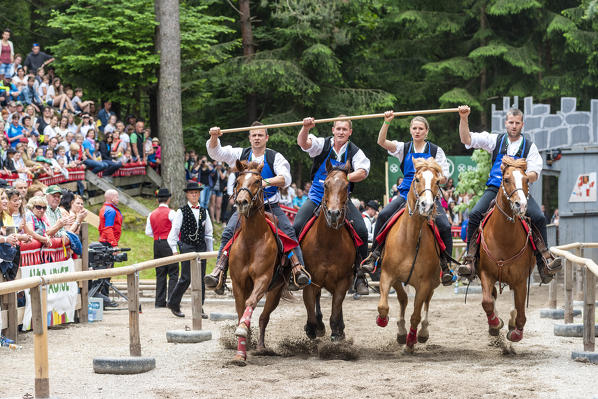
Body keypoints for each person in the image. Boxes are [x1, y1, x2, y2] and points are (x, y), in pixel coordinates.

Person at [456, 105, 562, 283]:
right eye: (511, 122)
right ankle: (470, 260)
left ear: (522, 125)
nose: (514, 126)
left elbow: (534, 174)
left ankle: (544, 261)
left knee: (538, 217)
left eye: (517, 123)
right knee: (474, 214)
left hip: (518, 190)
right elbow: (466, 138)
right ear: (506, 123)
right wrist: (464, 118)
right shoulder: (495, 140)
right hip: (495, 189)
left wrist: (517, 175)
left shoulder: (530, 147)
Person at [205, 122, 310, 292]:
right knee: (228, 232)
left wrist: (263, 182)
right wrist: (214, 137)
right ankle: (219, 272)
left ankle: (298, 270)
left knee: (288, 232)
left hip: (270, 206)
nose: (257, 138)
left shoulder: (274, 157)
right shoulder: (241, 153)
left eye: (260, 135)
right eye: (254, 135)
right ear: (249, 137)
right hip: (245, 209)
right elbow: (216, 152)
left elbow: (285, 178)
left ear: (266, 137)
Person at [360, 112, 454, 285]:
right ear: (410, 130)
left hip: (429, 195)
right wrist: (386, 122)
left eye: (421, 129)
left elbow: (445, 177)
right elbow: (381, 142)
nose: (417, 131)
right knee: (382, 215)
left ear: (426, 131)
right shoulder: (403, 148)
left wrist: (430, 178)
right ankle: (375, 255)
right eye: (414, 128)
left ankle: (446, 266)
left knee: (445, 226)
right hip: (405, 195)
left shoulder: (435, 150)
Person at [294, 115, 371, 294]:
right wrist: (305, 128)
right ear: (333, 130)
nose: (341, 132)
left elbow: (363, 172)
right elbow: (303, 144)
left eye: (345, 129)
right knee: (296, 227)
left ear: (350, 132)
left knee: (361, 229)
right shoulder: (322, 144)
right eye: (338, 129)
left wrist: (340, 179)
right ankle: (294, 270)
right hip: (317, 196)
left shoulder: (355, 151)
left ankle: (360, 275)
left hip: (341, 200)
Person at [166, 182, 213, 318]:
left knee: (200, 278)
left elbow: (209, 233)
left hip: (201, 247)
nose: (194, 195)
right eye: (192, 193)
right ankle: (173, 303)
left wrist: (209, 252)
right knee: (186, 277)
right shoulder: (181, 211)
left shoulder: (204, 211)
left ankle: (199, 307)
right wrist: (174, 250)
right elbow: (173, 233)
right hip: (186, 246)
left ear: (199, 195)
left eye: (196, 193)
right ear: (187, 195)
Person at [145, 188, 178, 308]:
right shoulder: (172, 213)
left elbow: (148, 232)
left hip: (157, 244)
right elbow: (175, 230)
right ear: (169, 199)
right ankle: (172, 301)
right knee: (173, 273)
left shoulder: (151, 214)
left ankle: (159, 302)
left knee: (160, 273)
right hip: (168, 243)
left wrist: (158, 236)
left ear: (158, 199)